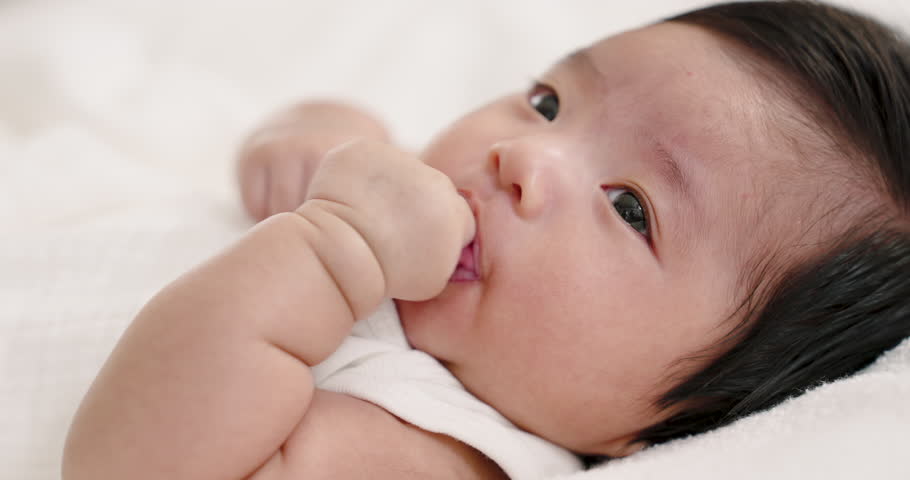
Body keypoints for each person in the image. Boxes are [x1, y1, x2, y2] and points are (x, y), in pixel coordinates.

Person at [63, 1, 910, 479]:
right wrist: (314, 132)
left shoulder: (443, 450)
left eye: (629, 208)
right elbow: (304, 123)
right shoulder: (399, 206)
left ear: (691, 424)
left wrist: (329, 252)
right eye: (548, 102)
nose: (523, 156)